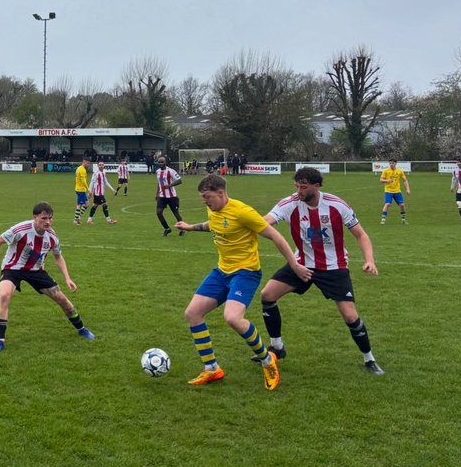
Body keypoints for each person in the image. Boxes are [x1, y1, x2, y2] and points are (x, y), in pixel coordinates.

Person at [174, 174, 311, 391]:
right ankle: (212, 368)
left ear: (221, 193)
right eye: (203, 198)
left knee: (232, 318)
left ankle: (268, 361)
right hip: (222, 271)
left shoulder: (243, 212)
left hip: (245, 273)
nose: (204, 202)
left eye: (207, 197)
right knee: (192, 313)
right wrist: (191, 227)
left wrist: (294, 265)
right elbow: (215, 224)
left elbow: (277, 237)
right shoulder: (213, 208)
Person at [260, 167, 385, 375]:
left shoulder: (337, 205)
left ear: (317, 186)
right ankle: (277, 347)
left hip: (334, 267)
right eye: (297, 186)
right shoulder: (290, 203)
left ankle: (369, 358)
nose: (299, 191)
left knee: (350, 317)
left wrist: (369, 260)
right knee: (267, 295)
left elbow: (361, 235)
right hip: (301, 265)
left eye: (304, 186)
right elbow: (264, 222)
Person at [0, 201, 94, 353]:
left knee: (62, 299)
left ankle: (82, 329)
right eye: (43, 218)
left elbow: (58, 257)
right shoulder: (21, 229)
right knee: (4, 295)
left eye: (50, 218)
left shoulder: (52, 237)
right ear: (35, 217)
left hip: (36, 271)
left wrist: (67, 278)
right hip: (12, 268)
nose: (47, 222)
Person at [154, 156, 184, 237]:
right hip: (162, 196)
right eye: (159, 162)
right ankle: (167, 229)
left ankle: (182, 229)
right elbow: (159, 183)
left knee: (176, 213)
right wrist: (157, 193)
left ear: (165, 162)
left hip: (172, 196)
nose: (160, 163)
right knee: (158, 212)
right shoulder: (157, 172)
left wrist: (170, 185)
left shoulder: (170, 171)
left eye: (162, 162)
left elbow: (179, 180)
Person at [379, 159, 410, 224]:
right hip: (388, 191)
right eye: (390, 163)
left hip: (397, 191)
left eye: (393, 163)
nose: (391, 164)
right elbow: (381, 180)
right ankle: (383, 220)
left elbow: (405, 180)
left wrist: (407, 189)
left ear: (396, 163)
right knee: (387, 204)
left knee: (402, 205)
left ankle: (403, 220)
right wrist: (387, 181)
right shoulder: (386, 171)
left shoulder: (399, 171)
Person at [72, 154, 92, 225]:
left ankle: (78, 217)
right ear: (84, 162)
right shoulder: (82, 170)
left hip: (79, 189)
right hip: (80, 190)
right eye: (88, 163)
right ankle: (75, 220)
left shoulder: (79, 168)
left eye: (89, 163)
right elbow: (83, 181)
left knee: (87, 204)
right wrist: (88, 189)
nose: (89, 165)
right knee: (79, 205)